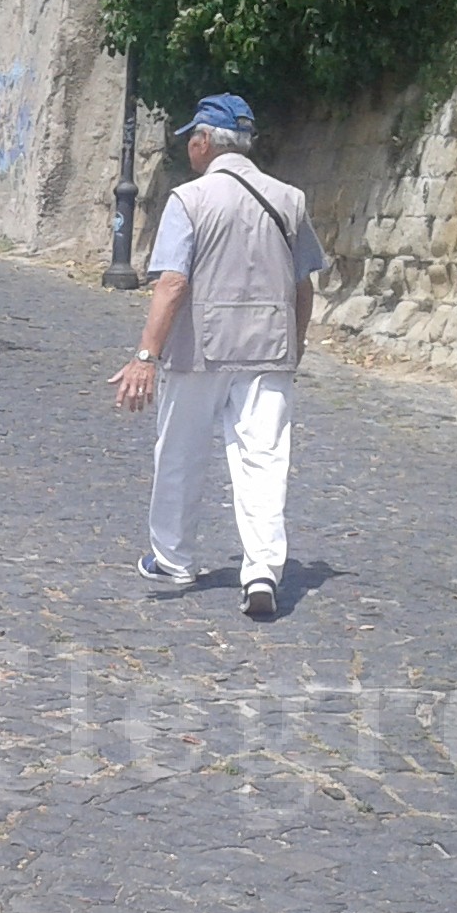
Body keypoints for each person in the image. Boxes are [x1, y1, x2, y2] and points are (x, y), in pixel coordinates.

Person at [111, 93, 326, 619]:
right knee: (264, 461)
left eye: (192, 138)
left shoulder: (189, 200)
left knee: (180, 454)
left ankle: (173, 559)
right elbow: (304, 287)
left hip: (199, 349)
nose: (189, 147)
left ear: (206, 140)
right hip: (269, 349)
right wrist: (293, 347)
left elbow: (172, 283)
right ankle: (261, 572)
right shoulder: (289, 199)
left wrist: (145, 354)